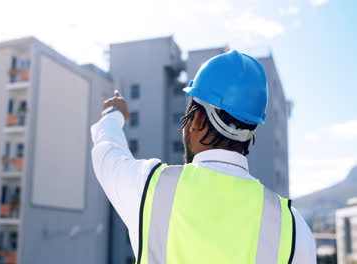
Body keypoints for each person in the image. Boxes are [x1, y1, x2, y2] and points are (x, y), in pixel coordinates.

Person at [91, 50, 316, 263]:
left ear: (197, 120)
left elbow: (108, 152)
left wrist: (113, 114)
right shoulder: (293, 228)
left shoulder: (149, 188)